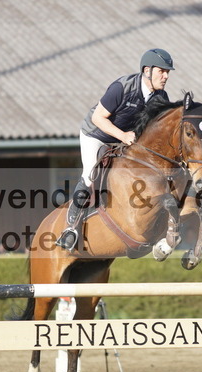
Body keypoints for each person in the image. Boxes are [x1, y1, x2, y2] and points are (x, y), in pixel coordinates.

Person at [56, 48, 175, 251]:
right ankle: (71, 229)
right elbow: (98, 118)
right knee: (90, 175)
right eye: (161, 71)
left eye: (167, 72)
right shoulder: (122, 87)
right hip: (97, 135)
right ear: (147, 70)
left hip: (126, 140)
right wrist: (123, 136)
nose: (166, 76)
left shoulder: (161, 96)